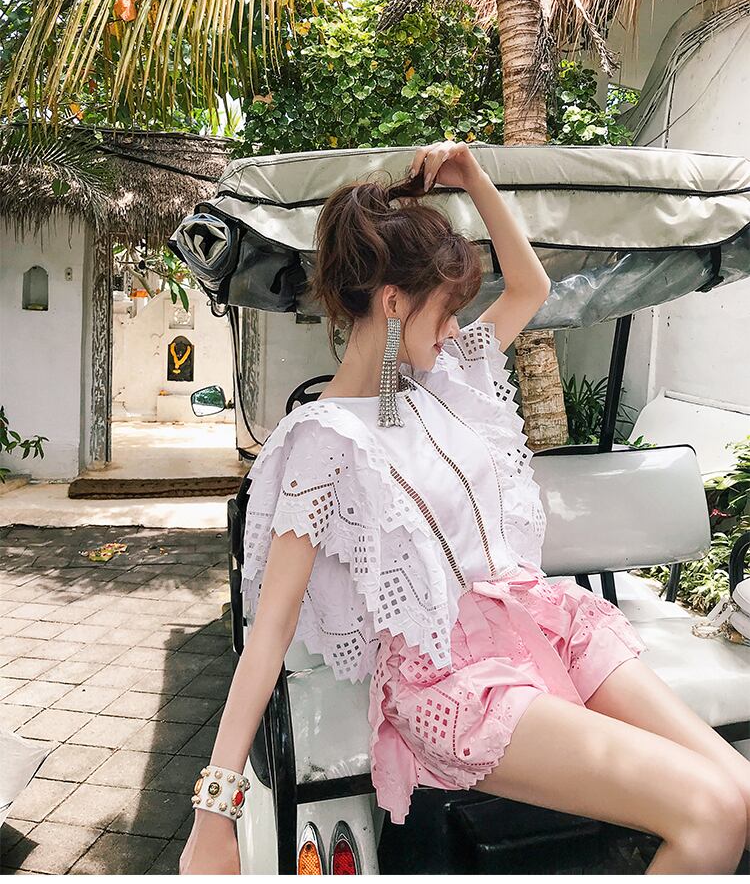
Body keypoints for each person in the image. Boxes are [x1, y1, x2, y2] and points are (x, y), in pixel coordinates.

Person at [180, 140, 750, 875]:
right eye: (446, 309)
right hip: (451, 680)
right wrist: (215, 807)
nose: (455, 328)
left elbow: (530, 287)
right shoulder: (321, 440)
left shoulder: (441, 381)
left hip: (544, 620)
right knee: (711, 814)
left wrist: (474, 178)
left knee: (740, 792)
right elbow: (271, 631)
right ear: (393, 303)